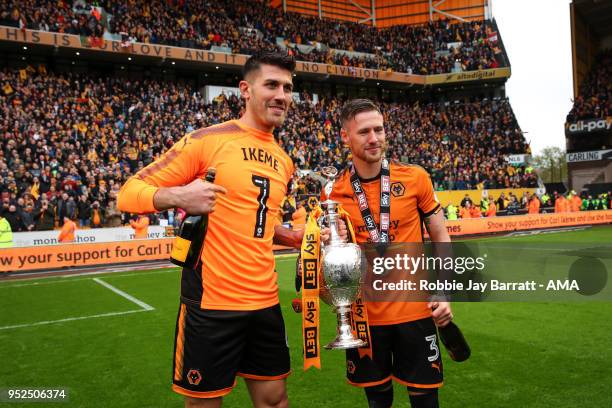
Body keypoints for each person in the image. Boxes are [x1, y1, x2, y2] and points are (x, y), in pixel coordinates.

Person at [118, 52, 313, 408]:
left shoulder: (284, 161)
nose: (282, 95)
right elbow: (128, 194)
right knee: (204, 403)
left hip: (265, 301)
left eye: (288, 87)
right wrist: (179, 195)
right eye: (271, 84)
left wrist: (292, 237)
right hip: (211, 303)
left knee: (275, 400)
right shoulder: (208, 141)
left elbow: (259, 223)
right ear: (245, 89)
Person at [328, 99, 453, 408]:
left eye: (379, 129)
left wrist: (445, 288)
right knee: (378, 401)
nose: (374, 138)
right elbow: (330, 259)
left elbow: (441, 234)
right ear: (346, 137)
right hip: (365, 319)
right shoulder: (332, 192)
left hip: (416, 313)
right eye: (364, 132)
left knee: (425, 400)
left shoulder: (415, 177)